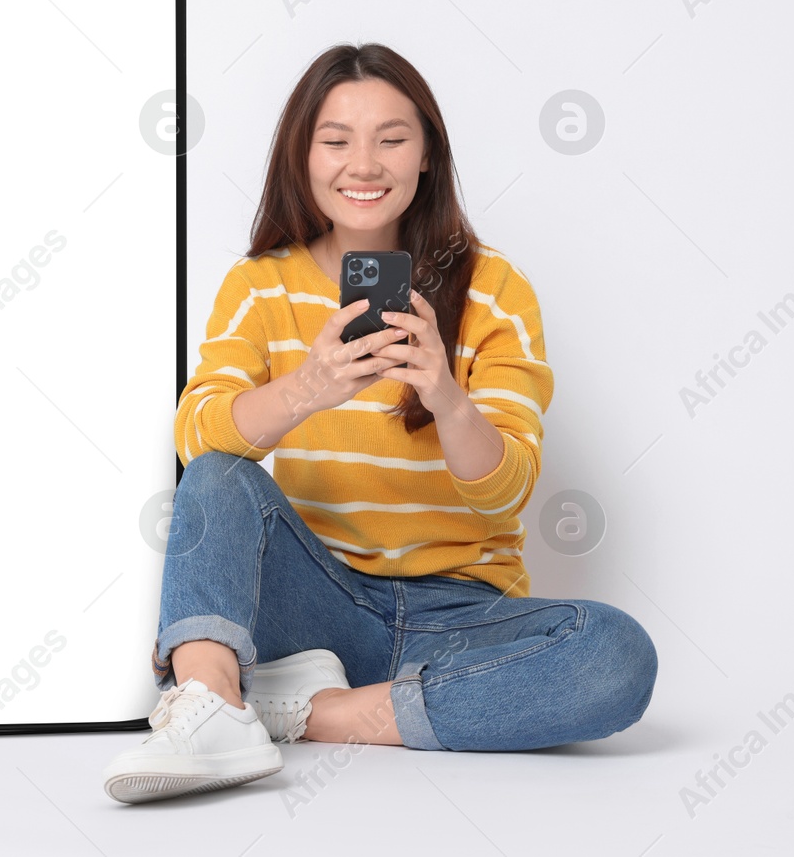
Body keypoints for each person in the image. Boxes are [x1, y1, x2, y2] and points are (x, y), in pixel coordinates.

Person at [103, 42, 658, 804]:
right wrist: (308, 388)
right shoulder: (260, 284)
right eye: (336, 141)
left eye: (391, 138)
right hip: (319, 602)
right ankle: (209, 706)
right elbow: (197, 435)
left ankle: (317, 710)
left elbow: (506, 494)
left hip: (460, 610)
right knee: (217, 476)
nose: (363, 164)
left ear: (427, 152)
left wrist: (445, 394)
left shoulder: (495, 289)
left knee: (615, 655)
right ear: (302, 156)